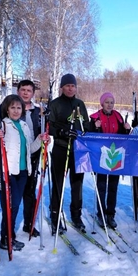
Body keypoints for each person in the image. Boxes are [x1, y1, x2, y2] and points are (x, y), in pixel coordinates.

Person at [0, 95, 47, 251]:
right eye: (12, 107)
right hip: (6, 171)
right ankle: (6, 238)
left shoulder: (24, 126)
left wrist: (40, 140)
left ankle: (8, 236)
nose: (16, 110)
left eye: (19, 107)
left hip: (22, 172)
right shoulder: (1, 125)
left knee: (14, 205)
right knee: (10, 205)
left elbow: (30, 149)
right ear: (7, 109)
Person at [48, 74, 90, 234]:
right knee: (59, 183)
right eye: (67, 86)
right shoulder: (55, 104)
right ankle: (55, 215)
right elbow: (49, 126)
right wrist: (61, 131)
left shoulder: (80, 104)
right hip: (61, 147)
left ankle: (76, 214)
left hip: (78, 149)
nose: (71, 88)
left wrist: (87, 129)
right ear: (62, 87)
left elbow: (86, 123)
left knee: (77, 184)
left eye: (73, 86)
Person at [89, 92, 131, 228]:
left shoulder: (118, 117)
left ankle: (110, 214)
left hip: (115, 155)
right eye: (107, 102)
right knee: (101, 186)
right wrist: (95, 127)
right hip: (101, 156)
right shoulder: (95, 117)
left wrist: (126, 130)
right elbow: (91, 137)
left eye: (111, 102)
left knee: (113, 187)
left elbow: (123, 138)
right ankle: (101, 213)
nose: (109, 105)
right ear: (102, 103)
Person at [17, 80, 43, 237]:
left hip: (33, 154)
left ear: (33, 93)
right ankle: (9, 227)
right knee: (15, 193)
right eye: (23, 90)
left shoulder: (37, 111)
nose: (26, 93)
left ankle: (29, 224)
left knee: (30, 192)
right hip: (16, 157)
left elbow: (42, 130)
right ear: (18, 91)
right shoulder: (11, 107)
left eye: (29, 90)